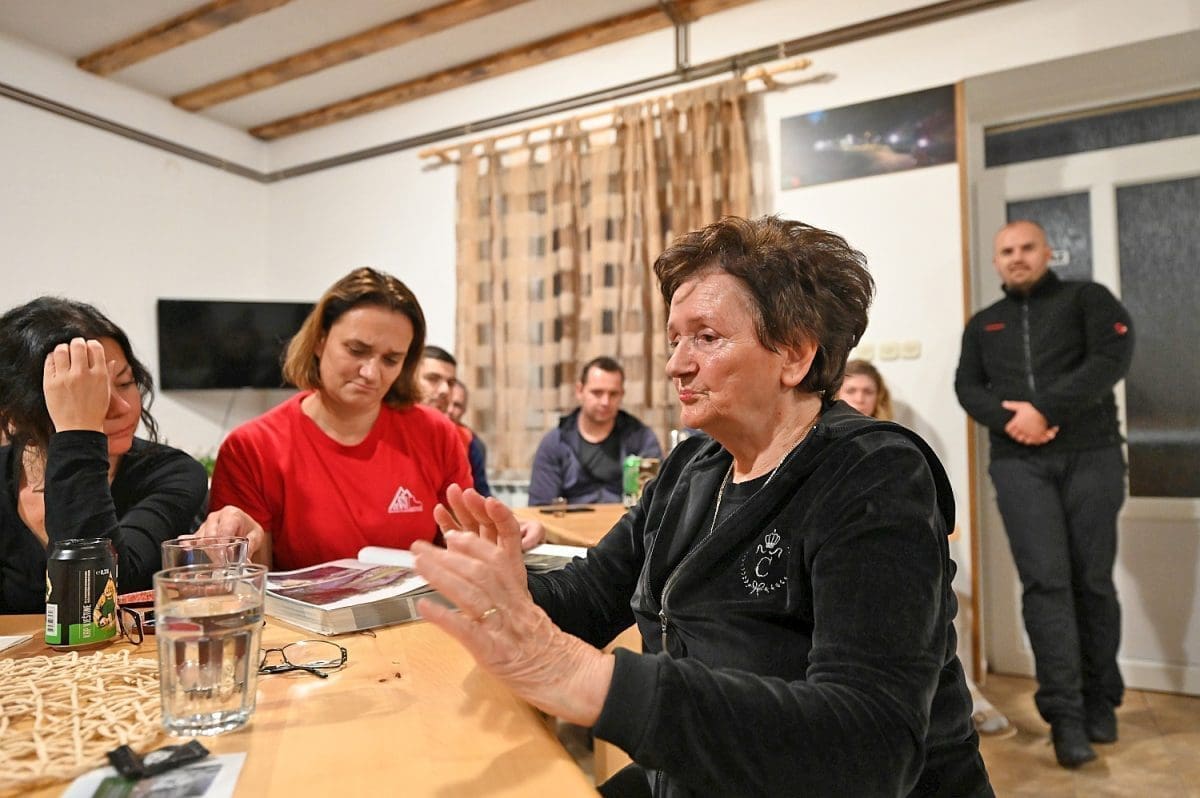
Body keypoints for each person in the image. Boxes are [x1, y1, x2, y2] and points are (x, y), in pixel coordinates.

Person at [412, 216, 993, 797]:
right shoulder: (692, 468)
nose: (676, 364)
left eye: (706, 337)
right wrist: (511, 592)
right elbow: (594, 592)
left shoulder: (873, 475)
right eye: (675, 340)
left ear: (794, 355)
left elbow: (871, 745)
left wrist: (594, 682)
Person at [955, 219, 1134, 768]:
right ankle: (1066, 717)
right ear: (996, 261)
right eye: (1006, 250)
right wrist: (1014, 421)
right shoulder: (984, 323)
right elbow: (967, 387)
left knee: (1092, 581)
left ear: (1047, 251)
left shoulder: (1088, 299)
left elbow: (1111, 359)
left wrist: (1046, 410)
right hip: (1019, 464)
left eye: (1026, 247)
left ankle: (1101, 700)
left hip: (1092, 455)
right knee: (1046, 584)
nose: (1017, 257)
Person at [200, 268, 476, 570]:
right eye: (357, 350)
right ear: (319, 341)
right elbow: (252, 584)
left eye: (391, 359)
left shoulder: (436, 433)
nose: (371, 373)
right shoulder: (252, 448)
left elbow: (466, 553)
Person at [837, 358, 1013, 737]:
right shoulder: (824, 441)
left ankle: (965, 693)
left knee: (944, 598)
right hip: (853, 553)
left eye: (867, 391)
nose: (860, 398)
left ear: (879, 397)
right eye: (851, 390)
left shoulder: (894, 442)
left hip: (894, 545)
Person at [0, 297, 208, 613]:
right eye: (89, 393)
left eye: (125, 383)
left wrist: (78, 434)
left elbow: (98, 595)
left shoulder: (171, 472)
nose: (121, 407)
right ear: (20, 409)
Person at [528, 357, 662, 506]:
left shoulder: (641, 438)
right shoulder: (555, 442)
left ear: (622, 394)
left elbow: (656, 499)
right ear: (579, 391)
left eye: (613, 394)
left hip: (627, 519)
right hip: (571, 520)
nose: (605, 402)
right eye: (597, 393)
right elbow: (540, 506)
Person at [419, 346, 491, 497]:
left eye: (451, 383)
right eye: (433, 379)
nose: (445, 390)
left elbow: (473, 499)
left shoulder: (463, 439)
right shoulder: (383, 426)